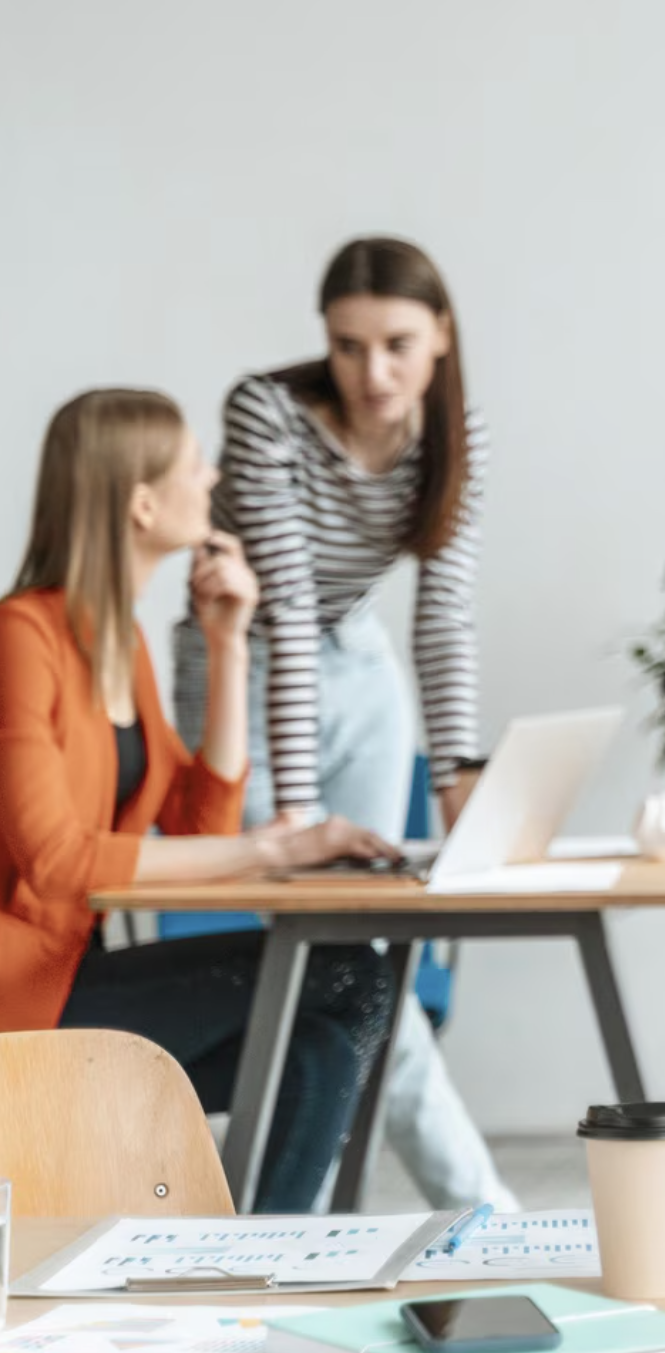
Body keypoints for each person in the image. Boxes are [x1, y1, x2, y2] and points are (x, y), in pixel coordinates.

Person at [172, 235, 517, 1211]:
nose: (374, 374)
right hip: (241, 665)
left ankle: (325, 1219)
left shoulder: (455, 435)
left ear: (441, 334)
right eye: (349, 346)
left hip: (361, 662)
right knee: (333, 943)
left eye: (398, 345)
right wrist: (300, 819)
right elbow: (282, 608)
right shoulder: (267, 412)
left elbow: (443, 614)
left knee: (363, 943)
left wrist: (458, 774)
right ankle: (478, 1211)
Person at [0, 388, 399, 1213]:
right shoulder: (21, 639)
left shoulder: (119, 641)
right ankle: (260, 1260)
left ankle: (262, 1267)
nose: (212, 478)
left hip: (74, 976)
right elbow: (56, 861)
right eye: (194, 464)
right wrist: (272, 848)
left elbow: (196, 822)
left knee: (319, 1047)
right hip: (21, 996)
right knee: (346, 972)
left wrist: (227, 644)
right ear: (143, 504)